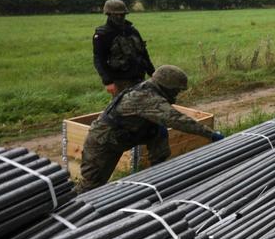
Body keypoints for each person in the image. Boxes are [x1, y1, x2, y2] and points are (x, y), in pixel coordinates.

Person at [77, 65, 223, 192]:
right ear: (167, 86)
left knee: (158, 131)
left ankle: (158, 173)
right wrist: (210, 134)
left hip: (123, 136)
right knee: (92, 186)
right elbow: (178, 120)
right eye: (176, 90)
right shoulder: (147, 98)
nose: (177, 94)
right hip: (103, 143)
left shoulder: (150, 90)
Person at [93, 0, 154, 95]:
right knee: (123, 108)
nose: (119, 17)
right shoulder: (103, 34)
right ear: (108, 14)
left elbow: (143, 53)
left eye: (122, 14)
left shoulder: (132, 30)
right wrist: (108, 81)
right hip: (120, 81)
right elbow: (99, 59)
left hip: (139, 77)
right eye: (116, 14)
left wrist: (152, 73)